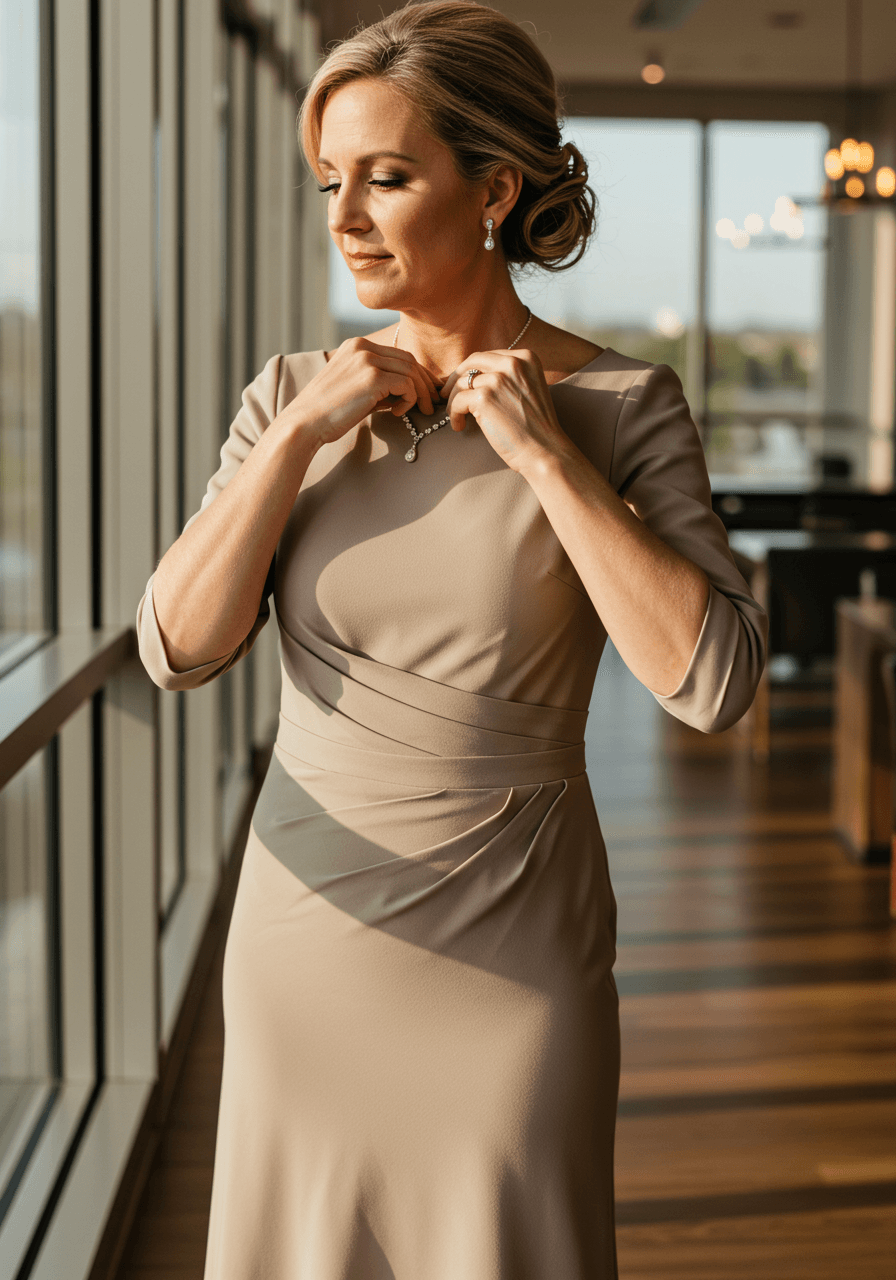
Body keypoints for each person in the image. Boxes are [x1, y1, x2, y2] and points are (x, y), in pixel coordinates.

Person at [136, 2, 768, 1275]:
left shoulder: (622, 405)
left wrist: (546, 459)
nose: (344, 216)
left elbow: (712, 684)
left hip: (513, 954)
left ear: (493, 188)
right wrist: (297, 437)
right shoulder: (288, 394)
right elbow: (173, 648)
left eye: (384, 177)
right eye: (329, 180)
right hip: (303, 936)